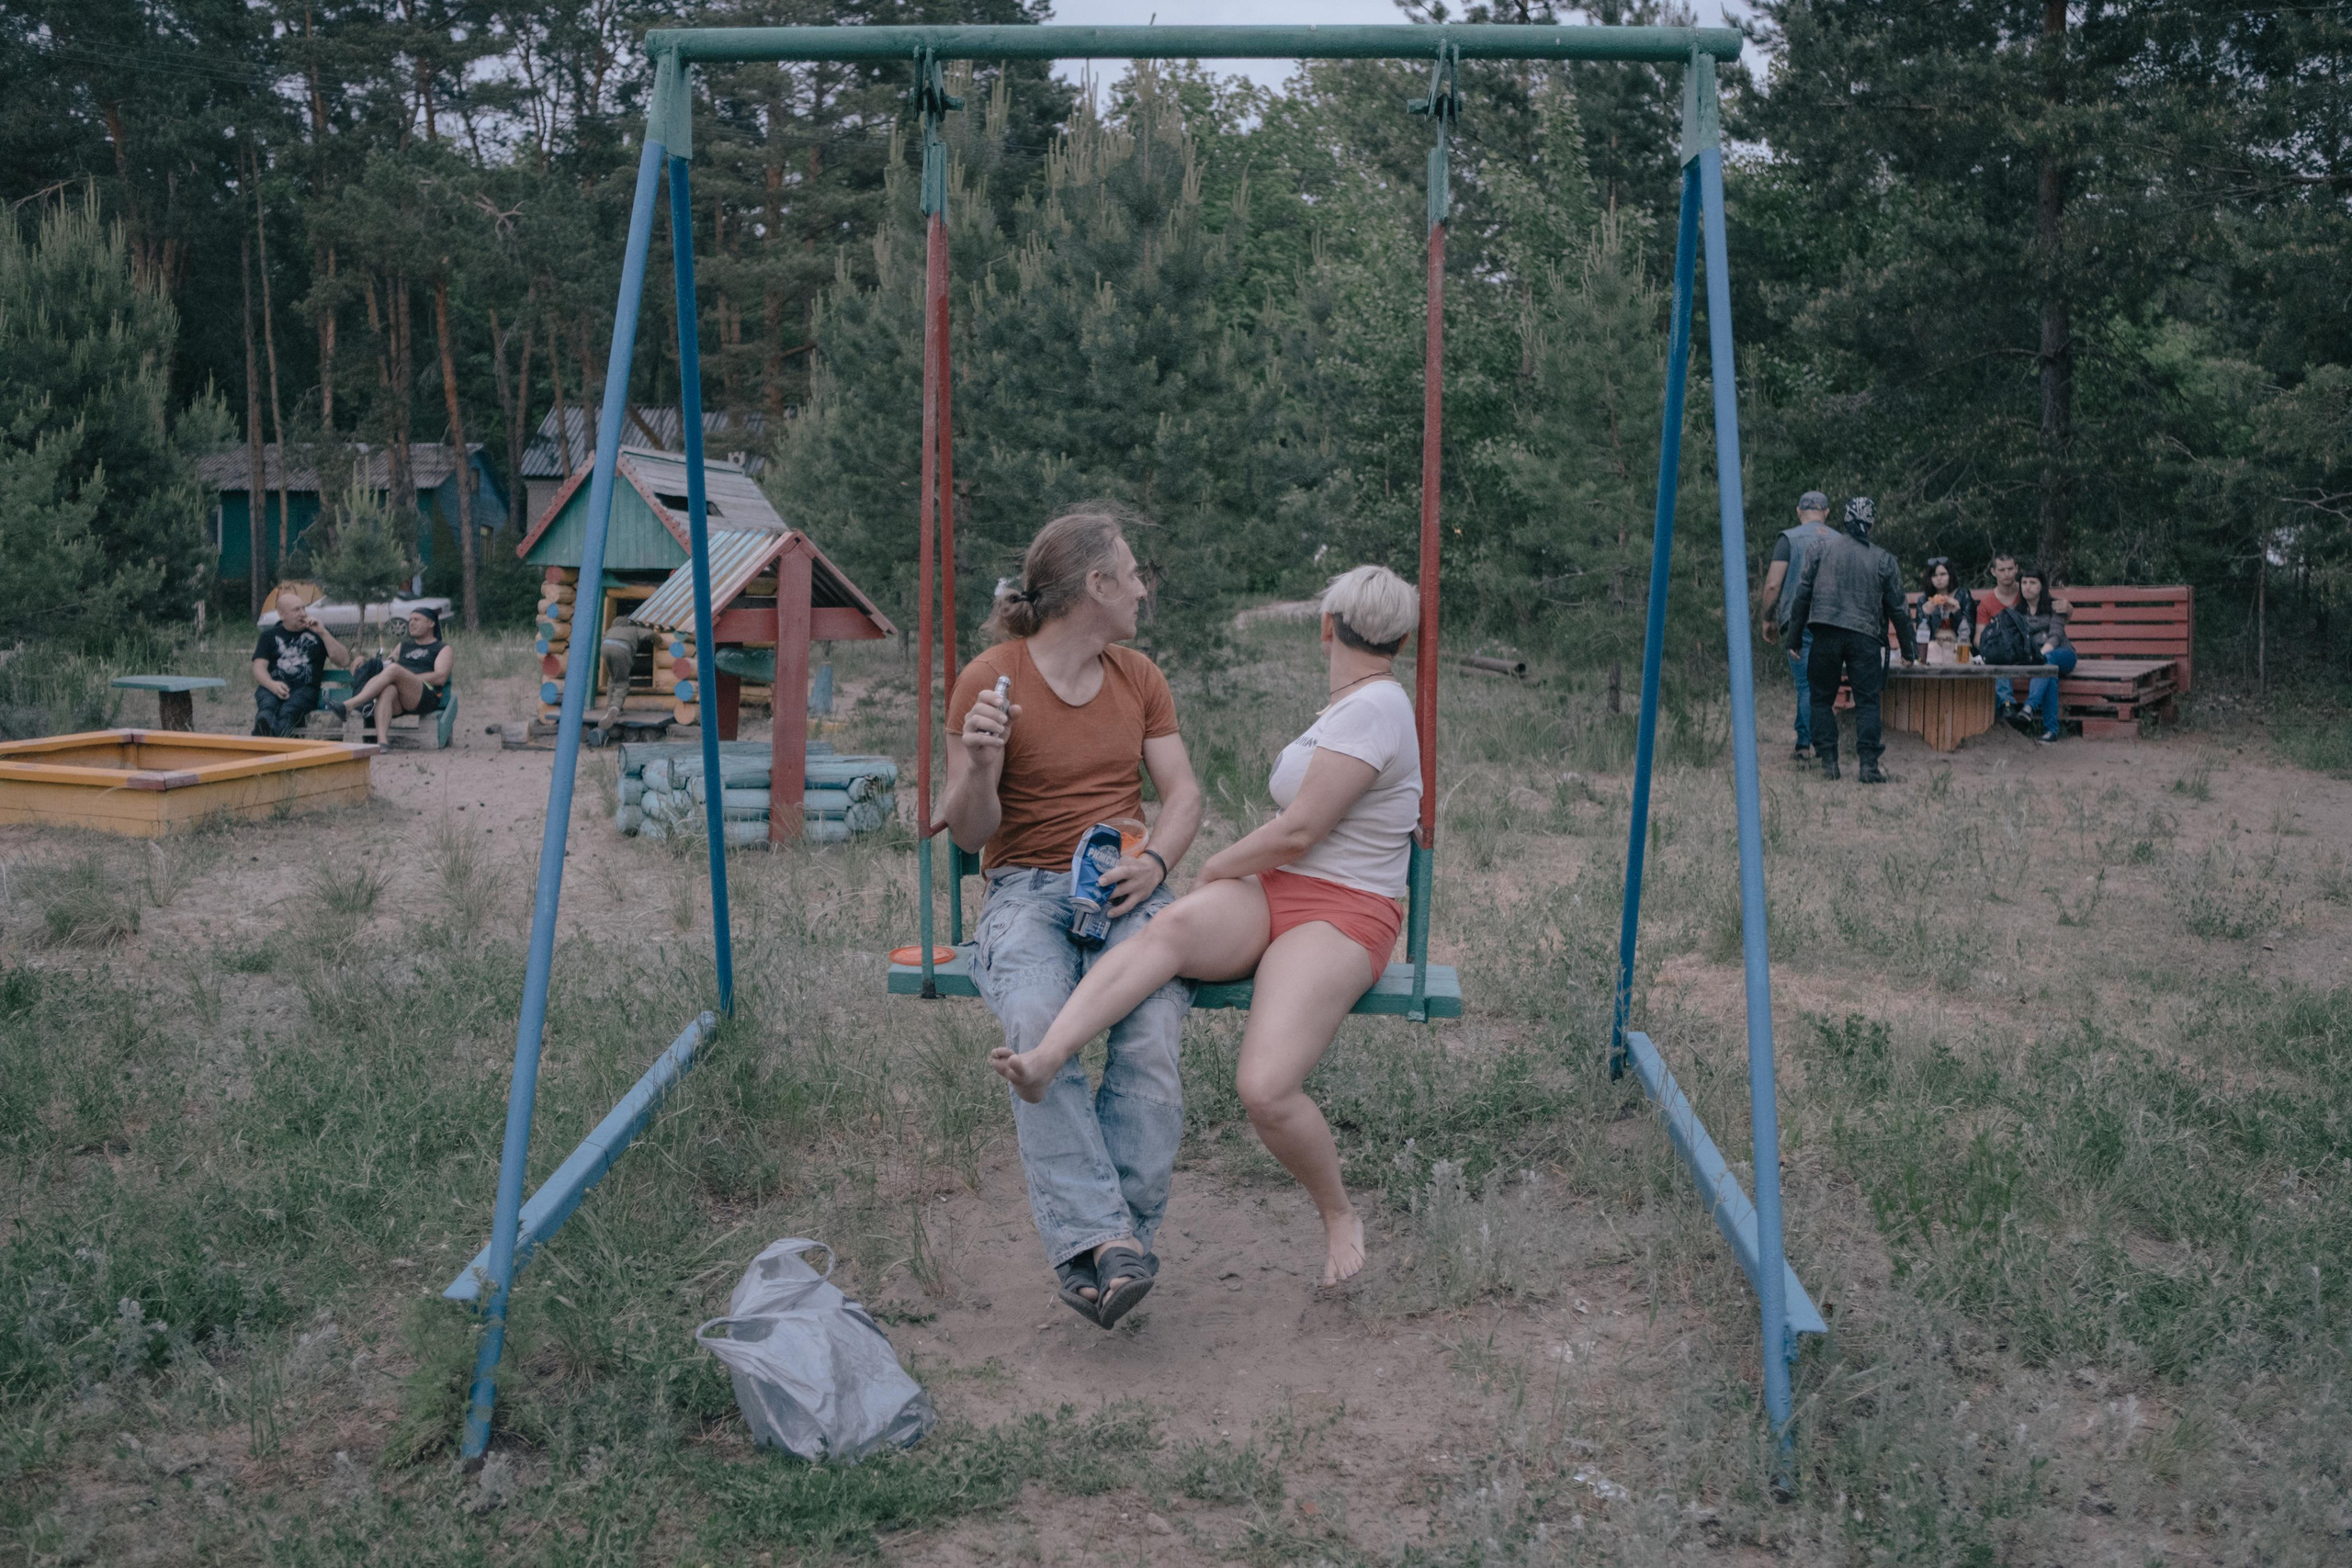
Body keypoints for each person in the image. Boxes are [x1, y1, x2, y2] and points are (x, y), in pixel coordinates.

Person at [991, 564, 1421, 1295]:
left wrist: (1218, 861)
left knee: (1264, 1086)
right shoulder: (1347, 706)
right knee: (1172, 931)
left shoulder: (1377, 707)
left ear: (1325, 628)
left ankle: (1338, 1212)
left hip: (1344, 909)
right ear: (1400, 638)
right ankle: (1048, 1056)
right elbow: (1293, 843)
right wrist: (1221, 881)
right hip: (1283, 889)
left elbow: (1303, 828)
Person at [942, 504, 1205, 1330]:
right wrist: (981, 767)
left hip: (1123, 889)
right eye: (1132, 572)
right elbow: (968, 830)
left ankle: (1107, 1249)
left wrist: (1155, 862)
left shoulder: (1138, 677)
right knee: (1032, 1019)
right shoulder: (992, 679)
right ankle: (1109, 1240)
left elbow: (1185, 793)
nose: (1141, 588)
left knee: (1153, 1024)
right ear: (1095, 585)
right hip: (1024, 886)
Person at [1781, 497, 1914, 783]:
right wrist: (1909, 648)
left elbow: (1802, 596)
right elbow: (1899, 609)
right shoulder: (1883, 559)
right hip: (1864, 637)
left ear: (1844, 521)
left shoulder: (1819, 550)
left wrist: (1793, 637)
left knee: (1820, 699)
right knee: (1867, 701)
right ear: (1872, 523)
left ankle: (1829, 762)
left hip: (1825, 633)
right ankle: (1868, 766)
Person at [1757, 490, 1839, 760]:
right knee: (1823, 684)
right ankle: (1805, 742)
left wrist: (1767, 619)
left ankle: (1815, 747)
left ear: (1798, 511)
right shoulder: (1841, 541)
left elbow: (1772, 583)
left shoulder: (1789, 539)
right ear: (1826, 513)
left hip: (1799, 620)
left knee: (1805, 685)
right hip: (1834, 621)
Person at [333, 605, 452, 747]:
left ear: (431, 623)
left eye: (417, 619)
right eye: (410, 620)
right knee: (389, 688)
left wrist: (405, 678)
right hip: (401, 699)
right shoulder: (403, 646)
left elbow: (440, 677)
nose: (411, 623)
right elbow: (385, 666)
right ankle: (382, 742)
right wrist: (362, 660)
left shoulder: (442, 648)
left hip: (426, 696)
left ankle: (350, 705)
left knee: (395, 670)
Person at [251, 588, 348, 738]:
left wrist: (323, 633)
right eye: (297, 610)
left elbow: (344, 660)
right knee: (267, 709)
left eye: (304, 608)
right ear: (282, 614)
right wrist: (272, 685)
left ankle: (273, 740)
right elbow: (259, 668)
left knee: (289, 711)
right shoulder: (269, 636)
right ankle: (265, 733)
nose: (303, 613)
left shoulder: (318, 633)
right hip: (272, 686)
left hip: (304, 689)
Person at [2014, 567, 2077, 743]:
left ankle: (2030, 706)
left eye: (2033, 583)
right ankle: (2051, 731)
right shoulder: (2017, 613)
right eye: (2024, 582)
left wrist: (2039, 658)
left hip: (2063, 654)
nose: (2027, 587)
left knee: (2047, 662)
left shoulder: (2054, 606)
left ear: (2042, 586)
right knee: (2049, 674)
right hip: (2040, 663)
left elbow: (2055, 636)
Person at [1913, 558, 1976, 665]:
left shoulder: (1963, 596)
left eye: (1943, 574)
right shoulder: (1924, 600)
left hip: (1958, 645)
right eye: (1934, 575)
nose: (1938, 579)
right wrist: (1926, 616)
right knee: (1931, 652)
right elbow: (1922, 636)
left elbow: (1970, 631)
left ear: (1950, 575)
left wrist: (1956, 612)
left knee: (1960, 657)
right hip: (1933, 645)